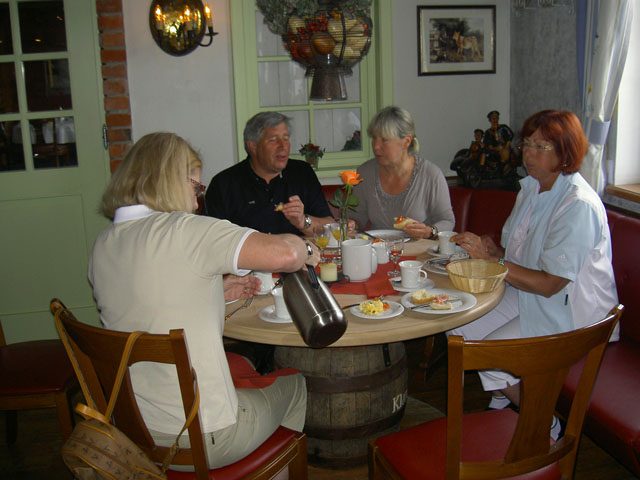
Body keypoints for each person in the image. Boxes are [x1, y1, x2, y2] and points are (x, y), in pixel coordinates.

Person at [89, 132, 320, 472]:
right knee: (295, 384)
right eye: (195, 186)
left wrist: (216, 290)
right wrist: (308, 247)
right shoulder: (188, 230)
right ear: (170, 180)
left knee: (241, 368)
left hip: (133, 430)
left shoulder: (104, 243)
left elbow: (147, 301)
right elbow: (286, 254)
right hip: (204, 436)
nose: (198, 201)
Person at [450, 110, 618, 439]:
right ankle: (504, 396)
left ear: (566, 153)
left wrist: (494, 261)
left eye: (541, 147)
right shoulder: (532, 188)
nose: (528, 154)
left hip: (574, 314)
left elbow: (550, 284)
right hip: (533, 296)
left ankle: (543, 421)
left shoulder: (577, 205)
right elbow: (522, 256)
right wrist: (495, 251)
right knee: (458, 321)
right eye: (527, 144)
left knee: (489, 351)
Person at [204, 111, 333, 235]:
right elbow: (212, 237)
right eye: (273, 140)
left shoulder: (302, 173)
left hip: (298, 250)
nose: (283, 146)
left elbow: (330, 227)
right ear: (252, 146)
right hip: (250, 251)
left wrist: (302, 221)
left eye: (286, 138)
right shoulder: (224, 184)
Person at [350, 106, 454, 239]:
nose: (375, 146)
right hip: (376, 248)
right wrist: (352, 224)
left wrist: (429, 231)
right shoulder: (365, 173)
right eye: (374, 138)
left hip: (419, 250)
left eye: (384, 140)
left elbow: (447, 221)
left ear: (406, 141)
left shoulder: (431, 175)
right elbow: (357, 216)